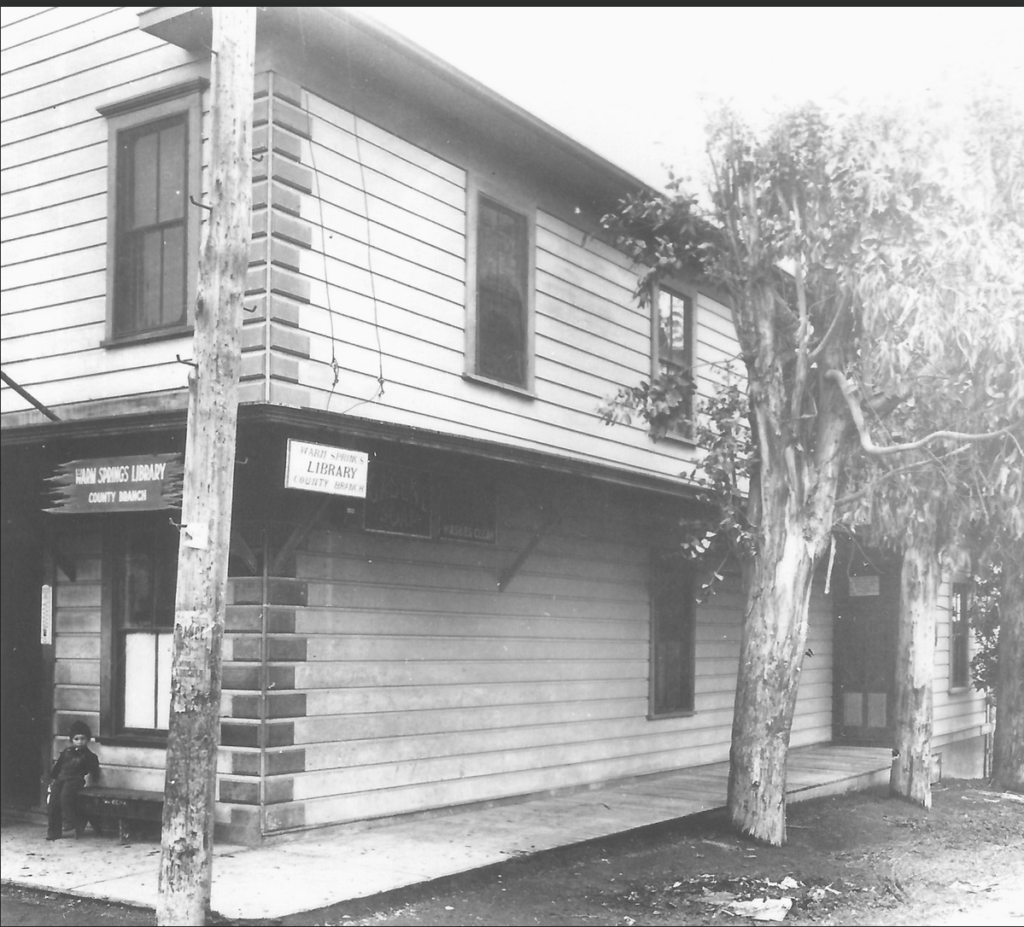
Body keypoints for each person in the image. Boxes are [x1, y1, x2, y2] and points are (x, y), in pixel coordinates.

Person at [46, 720, 100, 840]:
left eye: (83, 739)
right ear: (71, 740)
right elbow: (58, 767)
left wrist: (95, 778)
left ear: (88, 740)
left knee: (65, 796)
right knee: (54, 800)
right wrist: (53, 779)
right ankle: (54, 831)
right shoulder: (66, 753)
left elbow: (94, 769)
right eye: (76, 739)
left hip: (75, 780)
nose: (80, 742)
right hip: (61, 779)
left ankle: (69, 821)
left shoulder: (89, 755)